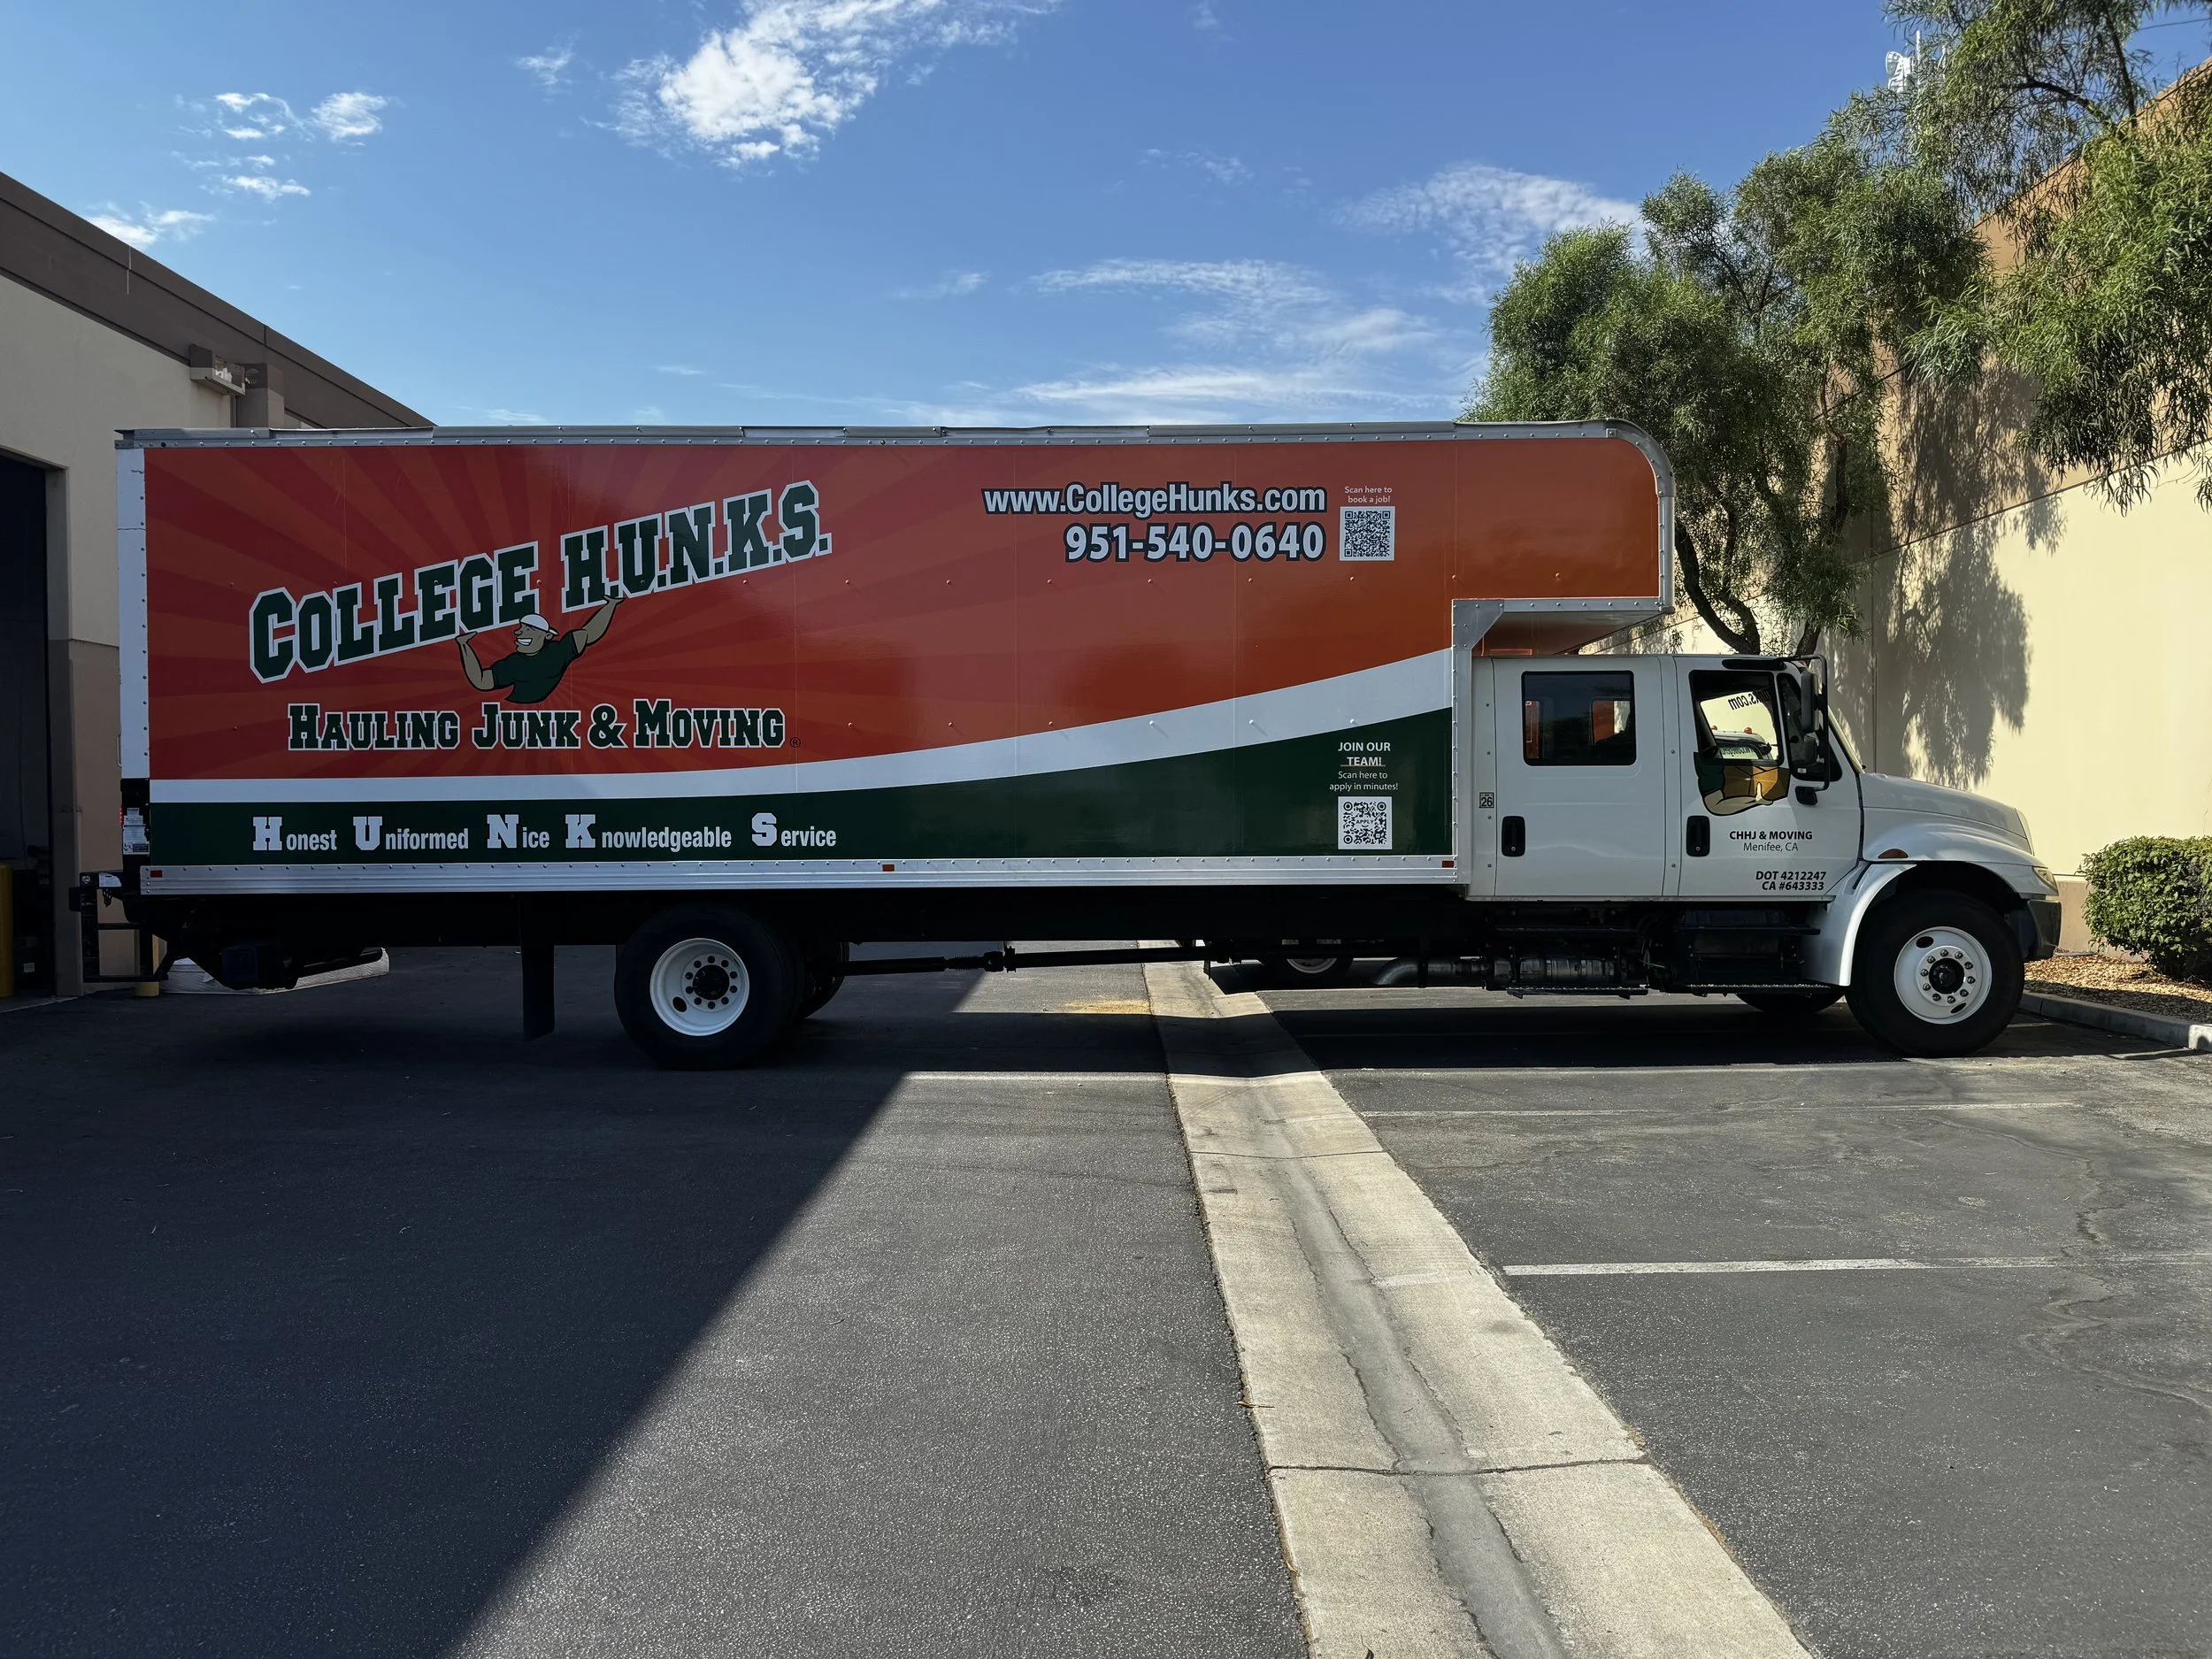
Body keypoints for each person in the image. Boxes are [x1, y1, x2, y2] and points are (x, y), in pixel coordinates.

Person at [460, 592, 622, 705]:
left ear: (547, 636)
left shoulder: (558, 652)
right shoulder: (513, 663)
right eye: (521, 628)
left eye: (528, 629)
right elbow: (481, 681)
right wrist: (464, 645)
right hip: (512, 713)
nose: (519, 633)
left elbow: (589, 633)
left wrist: (611, 605)